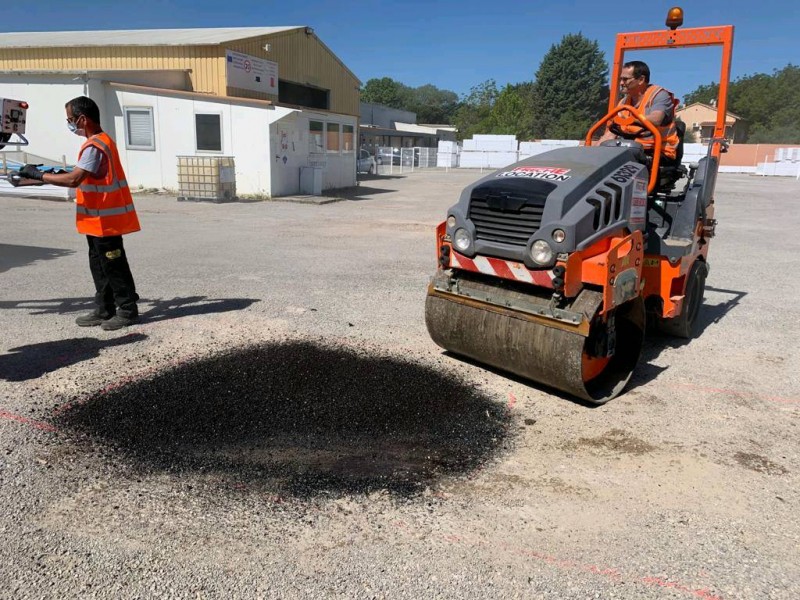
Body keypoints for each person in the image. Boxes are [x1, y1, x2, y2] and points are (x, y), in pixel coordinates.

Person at [16, 96, 141, 331]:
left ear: (82, 119)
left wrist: (38, 176)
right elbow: (81, 173)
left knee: (113, 265)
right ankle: (104, 309)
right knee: (100, 265)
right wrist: (47, 175)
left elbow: (75, 179)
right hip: (96, 220)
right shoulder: (97, 142)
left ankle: (127, 309)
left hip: (105, 220)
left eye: (70, 120)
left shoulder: (95, 145)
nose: (70, 124)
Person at [599, 60, 680, 160]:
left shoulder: (659, 95)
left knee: (621, 161)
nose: (621, 83)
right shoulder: (623, 103)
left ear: (641, 79)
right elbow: (612, 132)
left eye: (625, 79)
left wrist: (632, 119)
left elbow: (656, 119)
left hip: (658, 152)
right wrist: (593, 151)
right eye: (621, 79)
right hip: (633, 149)